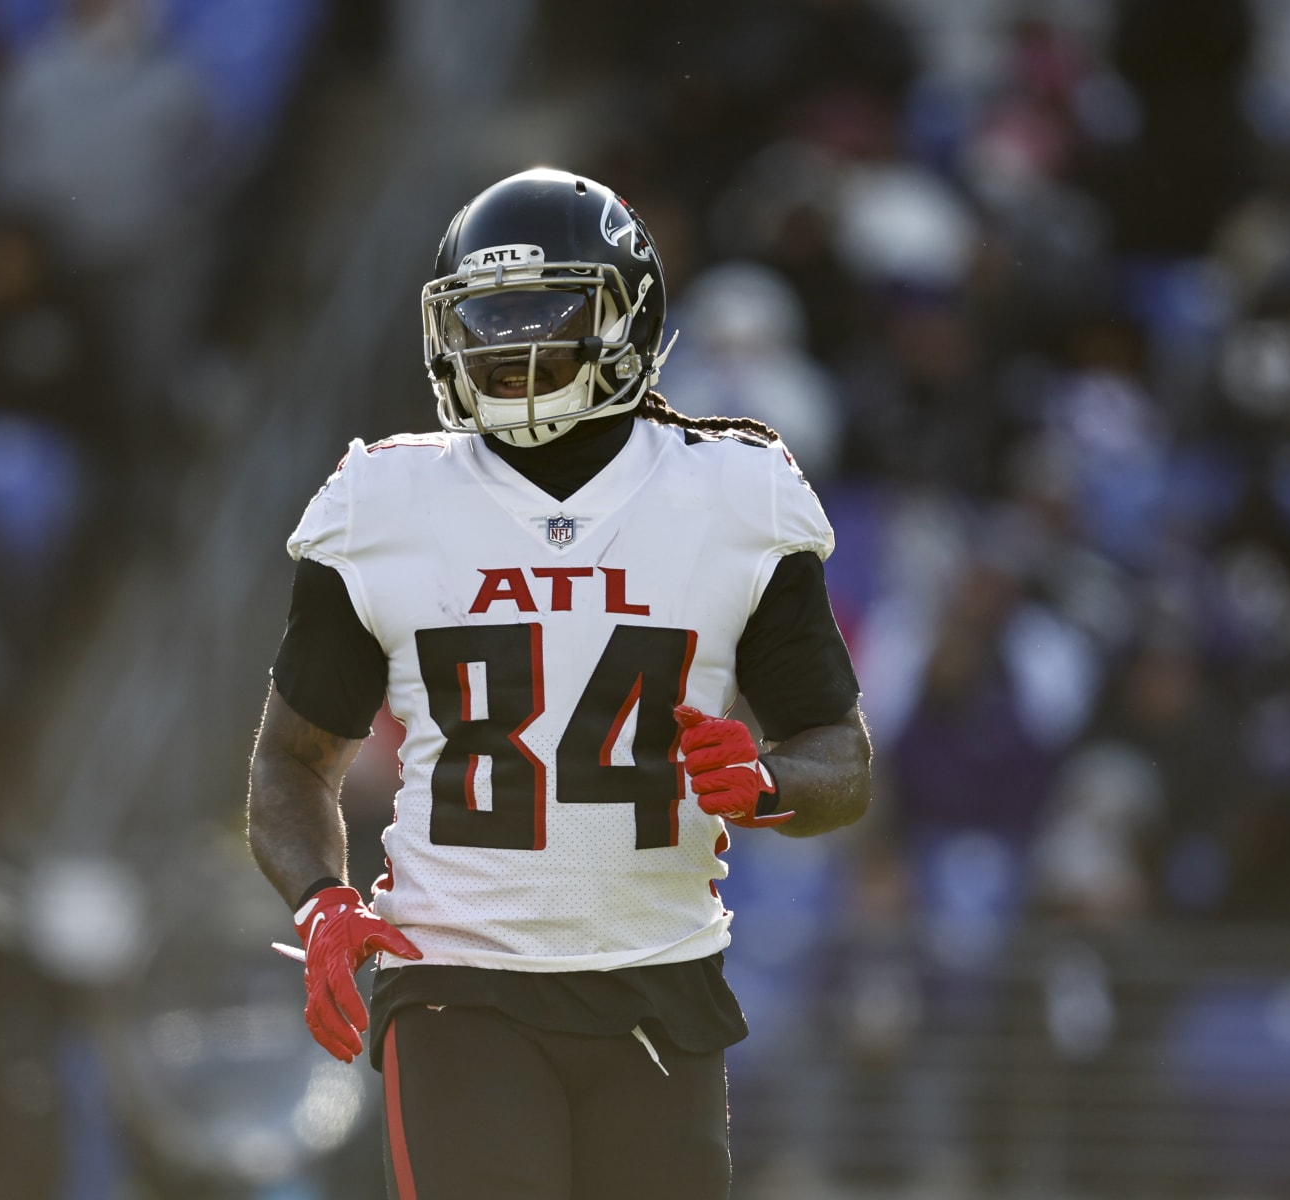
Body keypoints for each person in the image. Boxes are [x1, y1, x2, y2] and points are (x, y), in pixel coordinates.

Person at [246, 168, 873, 1199]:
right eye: (485, 316)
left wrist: (768, 783)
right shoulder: (383, 502)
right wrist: (321, 902)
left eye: (542, 311)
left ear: (627, 317)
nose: (507, 344)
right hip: (456, 981)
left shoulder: (735, 494)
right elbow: (291, 762)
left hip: (661, 981)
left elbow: (840, 760)